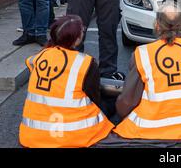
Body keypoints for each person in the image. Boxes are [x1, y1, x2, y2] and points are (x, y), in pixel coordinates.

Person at [114, 2, 181, 141]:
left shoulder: (143, 53)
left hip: (152, 127)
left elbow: (128, 101)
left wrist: (119, 112)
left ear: (157, 25)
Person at [19, 15, 114, 148]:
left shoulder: (39, 56)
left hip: (32, 136)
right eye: (82, 30)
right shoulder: (85, 62)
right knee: (111, 103)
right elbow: (95, 97)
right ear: (76, 39)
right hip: (73, 135)